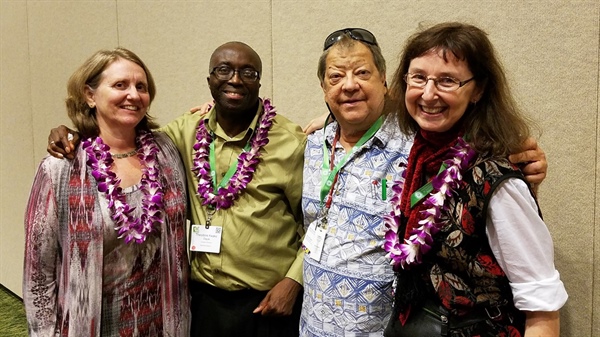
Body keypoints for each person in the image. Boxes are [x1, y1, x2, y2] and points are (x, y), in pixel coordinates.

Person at [299, 28, 550, 337]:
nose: (349, 85)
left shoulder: (413, 144)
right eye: (336, 77)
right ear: (323, 88)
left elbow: (539, 300)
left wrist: (523, 161)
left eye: (362, 73)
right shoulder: (314, 143)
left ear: (386, 82)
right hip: (318, 325)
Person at [46, 41, 306, 337]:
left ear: (259, 82)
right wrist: (76, 133)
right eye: (224, 70)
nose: (235, 79)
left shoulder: (290, 142)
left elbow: (317, 220)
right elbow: (126, 138)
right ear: (209, 81)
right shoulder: (183, 133)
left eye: (248, 72)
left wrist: (293, 281)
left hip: (266, 300)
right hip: (201, 300)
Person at [382, 22, 567, 336]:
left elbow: (542, 306)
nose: (428, 93)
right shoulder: (420, 154)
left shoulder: (497, 180)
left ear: (478, 89)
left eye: (447, 81)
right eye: (419, 77)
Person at [23, 47, 190, 336]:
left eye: (142, 87)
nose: (134, 95)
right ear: (90, 95)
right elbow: (39, 270)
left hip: (163, 322)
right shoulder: (62, 167)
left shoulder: (165, 151)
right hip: (91, 325)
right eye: (120, 85)